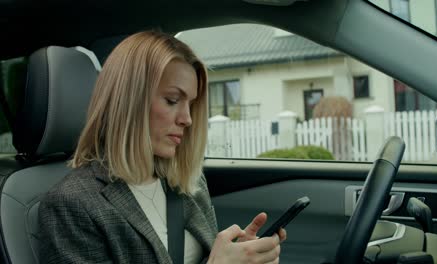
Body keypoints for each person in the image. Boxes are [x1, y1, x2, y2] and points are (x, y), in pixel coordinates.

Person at [38, 30, 286, 264]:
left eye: (191, 104)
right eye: (172, 100)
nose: (187, 119)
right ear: (128, 100)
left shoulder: (189, 182)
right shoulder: (71, 204)